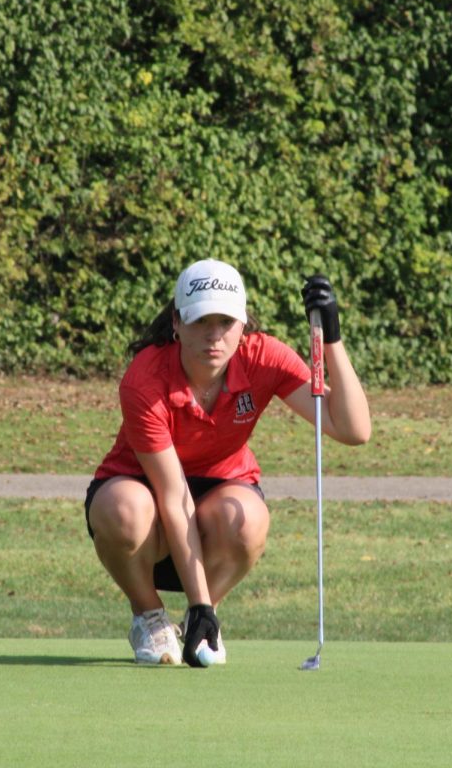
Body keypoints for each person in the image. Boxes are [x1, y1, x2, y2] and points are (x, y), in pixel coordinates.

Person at [84, 259, 371, 667]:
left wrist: (332, 337)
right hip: (144, 502)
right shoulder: (144, 378)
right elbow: (172, 494)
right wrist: (198, 599)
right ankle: (149, 616)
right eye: (201, 320)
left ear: (243, 324)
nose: (214, 335)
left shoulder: (265, 357)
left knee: (249, 518)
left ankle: (201, 622)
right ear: (177, 323)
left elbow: (353, 429)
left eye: (226, 321)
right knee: (125, 509)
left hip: (220, 497)